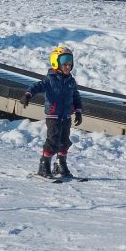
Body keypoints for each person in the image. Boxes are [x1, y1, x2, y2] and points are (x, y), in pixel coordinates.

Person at [21, 47, 83, 180]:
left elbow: (76, 97)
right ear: (56, 62)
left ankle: (60, 164)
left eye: (70, 63)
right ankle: (44, 165)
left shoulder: (71, 81)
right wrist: (28, 94)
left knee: (64, 141)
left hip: (66, 116)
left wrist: (78, 111)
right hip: (53, 115)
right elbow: (37, 86)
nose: (68, 66)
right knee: (53, 140)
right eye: (65, 63)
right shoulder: (50, 79)